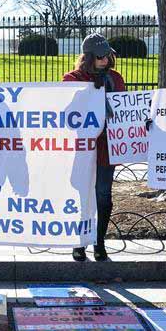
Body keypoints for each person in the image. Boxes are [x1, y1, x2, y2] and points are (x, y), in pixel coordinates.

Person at [63, 33, 125, 262]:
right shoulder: (73, 78)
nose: (105, 60)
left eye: (108, 55)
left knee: (103, 196)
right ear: (88, 57)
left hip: (106, 147)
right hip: (82, 147)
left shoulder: (115, 79)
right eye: (100, 56)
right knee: (82, 196)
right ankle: (80, 241)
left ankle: (99, 241)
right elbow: (66, 112)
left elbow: (126, 109)